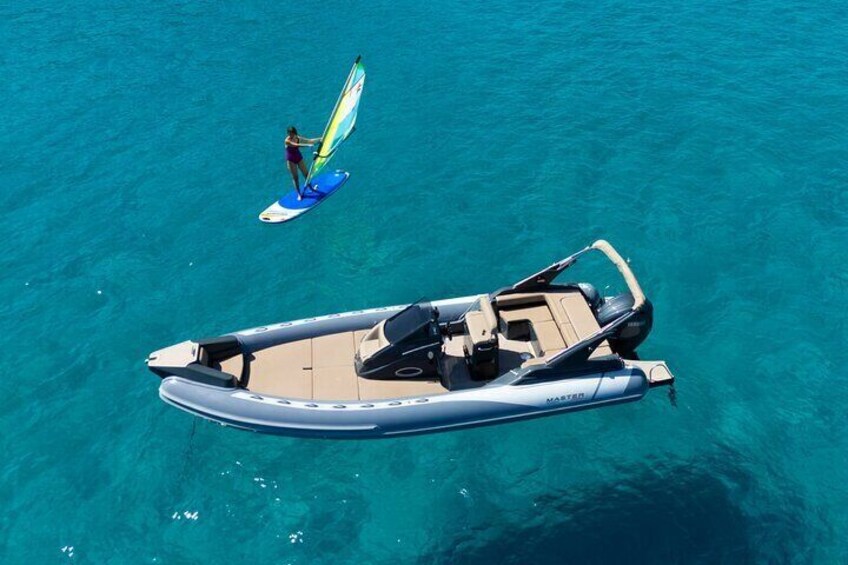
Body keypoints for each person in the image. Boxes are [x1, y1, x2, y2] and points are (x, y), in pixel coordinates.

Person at [285, 126, 322, 199]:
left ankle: (311, 188)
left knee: (306, 174)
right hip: (291, 160)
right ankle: (299, 194)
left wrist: (320, 139)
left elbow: (309, 141)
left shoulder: (297, 138)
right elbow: (296, 145)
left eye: (292, 133)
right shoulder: (287, 141)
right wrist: (307, 145)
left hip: (298, 157)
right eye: (290, 134)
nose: (291, 135)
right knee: (295, 177)